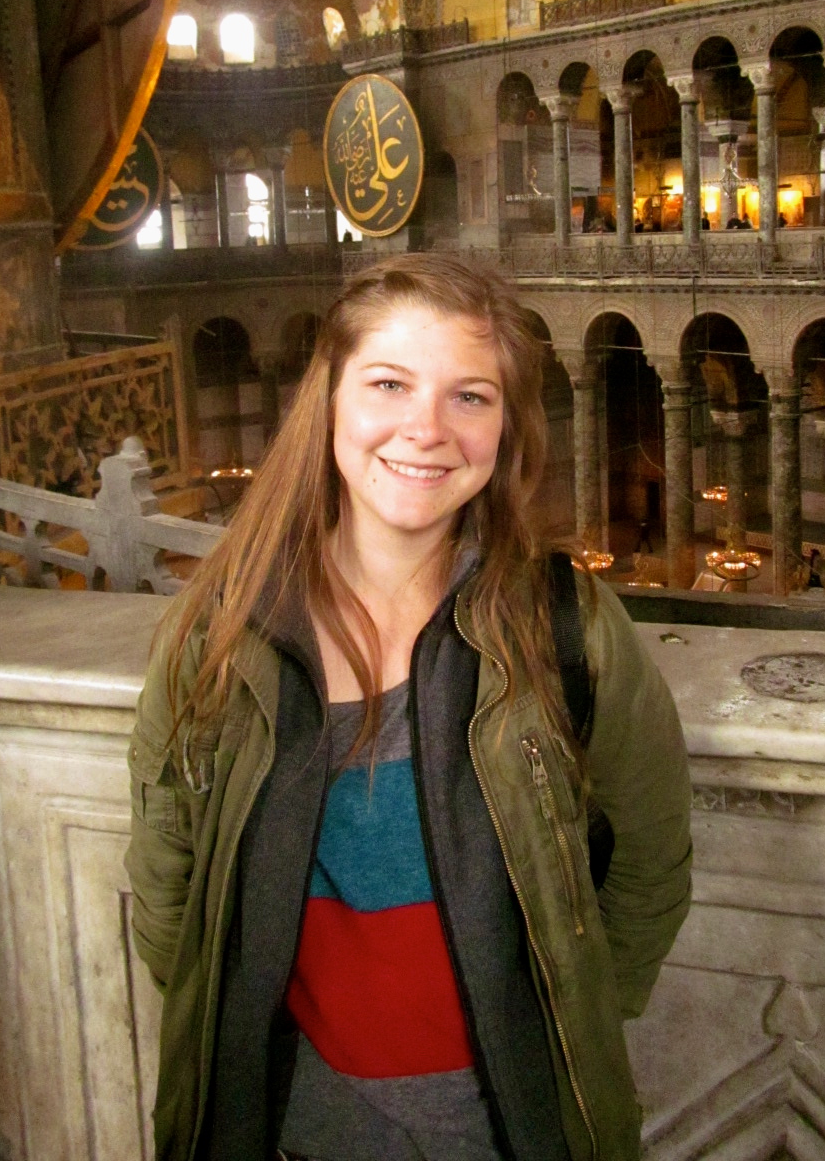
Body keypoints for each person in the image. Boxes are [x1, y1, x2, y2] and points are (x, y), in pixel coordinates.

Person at [126, 253, 693, 1161]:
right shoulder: (220, 635)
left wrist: (568, 1027)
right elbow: (169, 891)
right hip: (293, 1129)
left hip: (511, 1133)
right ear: (330, 401)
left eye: (470, 396)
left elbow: (650, 862)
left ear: (506, 427)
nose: (427, 430)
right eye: (389, 384)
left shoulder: (568, 629)